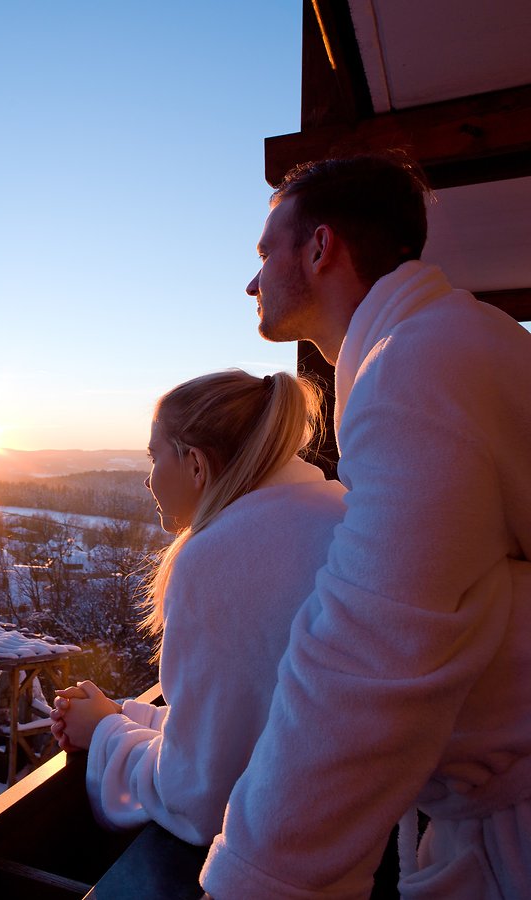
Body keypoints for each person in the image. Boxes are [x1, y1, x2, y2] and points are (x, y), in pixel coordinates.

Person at [201, 154, 531, 899]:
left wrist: (256, 878)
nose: (253, 283)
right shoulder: (457, 341)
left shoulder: (418, 367)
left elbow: (371, 650)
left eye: (264, 254)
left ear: (319, 249)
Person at [49, 369, 346, 879]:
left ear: (196, 465)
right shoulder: (331, 511)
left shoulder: (223, 558)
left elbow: (199, 797)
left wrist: (103, 732)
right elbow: (258, 726)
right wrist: (130, 714)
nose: (147, 479)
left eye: (153, 456)